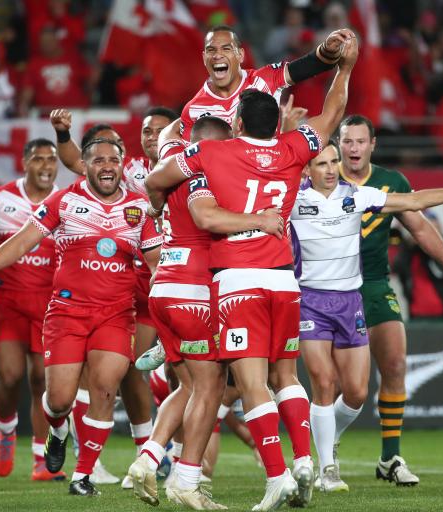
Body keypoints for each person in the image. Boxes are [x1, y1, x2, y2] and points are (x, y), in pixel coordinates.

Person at [145, 32, 357, 511]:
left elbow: (163, 180)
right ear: (277, 120)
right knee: (289, 375)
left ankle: (278, 474)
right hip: (285, 279)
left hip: (237, 281)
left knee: (251, 382)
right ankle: (305, 459)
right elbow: (331, 117)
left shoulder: (211, 151)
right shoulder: (292, 150)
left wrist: (162, 191)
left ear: (236, 121)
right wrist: (344, 70)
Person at [0, 138, 162, 497]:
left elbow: (155, 264)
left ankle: (82, 476)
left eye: (113, 160)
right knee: (59, 401)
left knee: (104, 388)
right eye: (98, 160)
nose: (106, 166)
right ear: (84, 167)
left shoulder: (139, 208)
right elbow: (22, 241)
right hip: (67, 314)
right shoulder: (65, 201)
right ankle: (57, 429)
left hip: (117, 314)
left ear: (121, 167)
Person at [128, 115, 283, 509]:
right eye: (229, 140)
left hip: (162, 285)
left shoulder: (172, 158)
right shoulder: (213, 172)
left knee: (190, 386)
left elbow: (163, 142)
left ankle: (148, 459)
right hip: (195, 289)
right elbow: (208, 217)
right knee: (211, 386)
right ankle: (185, 479)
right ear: (217, 144)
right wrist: (260, 220)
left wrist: (158, 201)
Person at [292, 141, 443, 492]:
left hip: (350, 301)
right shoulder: (292, 199)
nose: (329, 169)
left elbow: (413, 201)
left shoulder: (358, 196)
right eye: (321, 163)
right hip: (310, 301)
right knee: (323, 382)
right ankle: (327, 469)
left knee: (355, 393)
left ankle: (327, 437)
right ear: (307, 169)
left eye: (333, 162)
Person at [50, 107, 178, 487]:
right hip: (131, 278)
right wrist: (61, 135)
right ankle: (144, 455)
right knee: (123, 373)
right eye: (145, 130)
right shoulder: (131, 169)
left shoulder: (193, 165)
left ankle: (165, 457)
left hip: (171, 276)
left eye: (160, 130)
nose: (152, 136)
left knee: (171, 373)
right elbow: (77, 159)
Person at [338, 115, 443, 485]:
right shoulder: (321, 179)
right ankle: (324, 450)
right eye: (347, 141)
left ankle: (390, 458)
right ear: (338, 144)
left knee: (395, 364)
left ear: (373, 144)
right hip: (330, 290)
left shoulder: (392, 183)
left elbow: (420, 229)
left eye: (361, 141)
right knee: (341, 386)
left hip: (374, 285)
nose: (354, 148)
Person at [0, 138, 65, 481]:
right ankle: (6, 429)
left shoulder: (67, 201)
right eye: (38, 159)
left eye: (51, 159)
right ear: (24, 163)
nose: (46, 165)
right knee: (11, 377)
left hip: (49, 303)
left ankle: (41, 460)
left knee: (41, 381)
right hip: (8, 301)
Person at [179, 24, 352, 141]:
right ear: (204, 58)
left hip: (270, 177)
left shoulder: (264, 79)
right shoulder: (193, 110)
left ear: (240, 54)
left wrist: (328, 48)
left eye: (226, 48)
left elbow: (311, 65)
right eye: (211, 50)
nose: (217, 55)